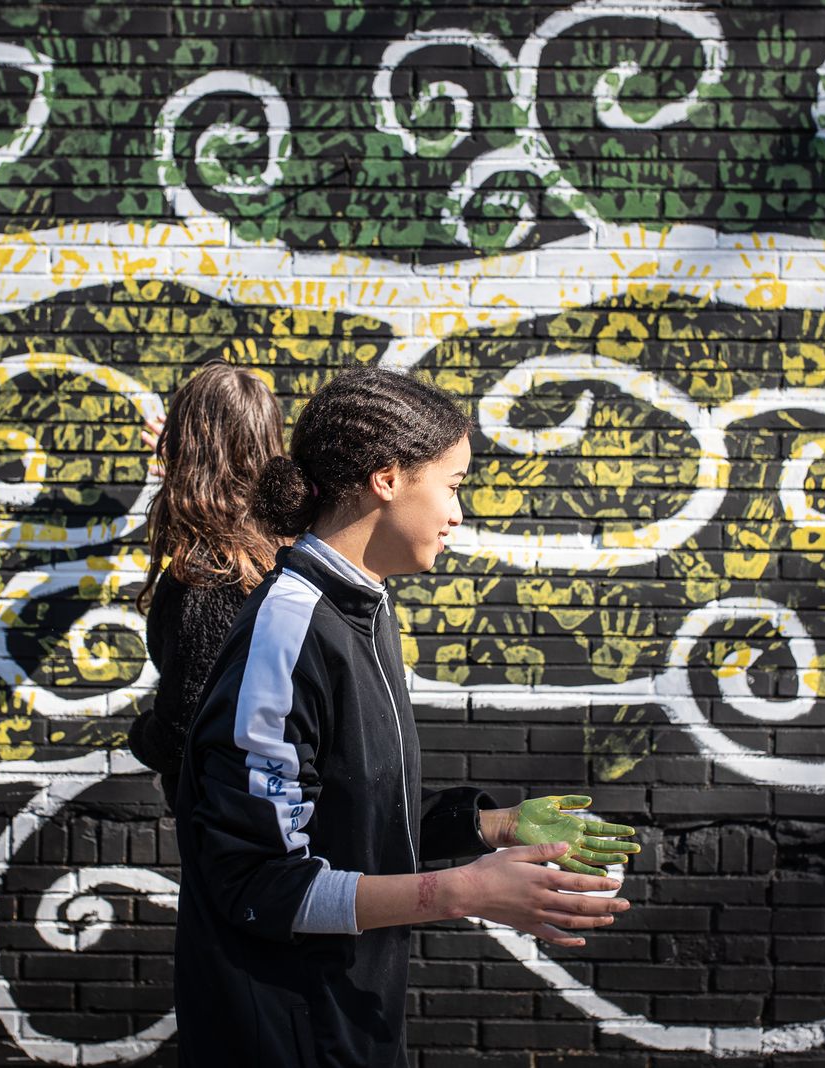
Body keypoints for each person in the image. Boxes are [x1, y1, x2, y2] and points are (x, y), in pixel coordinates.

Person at [172, 368, 640, 1066]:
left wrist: (493, 826)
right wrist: (466, 891)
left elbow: (351, 819)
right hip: (285, 1031)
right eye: (452, 485)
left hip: (350, 1019)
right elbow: (255, 884)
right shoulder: (289, 627)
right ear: (386, 479)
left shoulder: (366, 606)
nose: (459, 514)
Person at [130, 360, 285, 811]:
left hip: (225, 830)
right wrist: (187, 462)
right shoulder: (294, 548)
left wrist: (139, 734)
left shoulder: (207, 579)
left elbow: (181, 732)